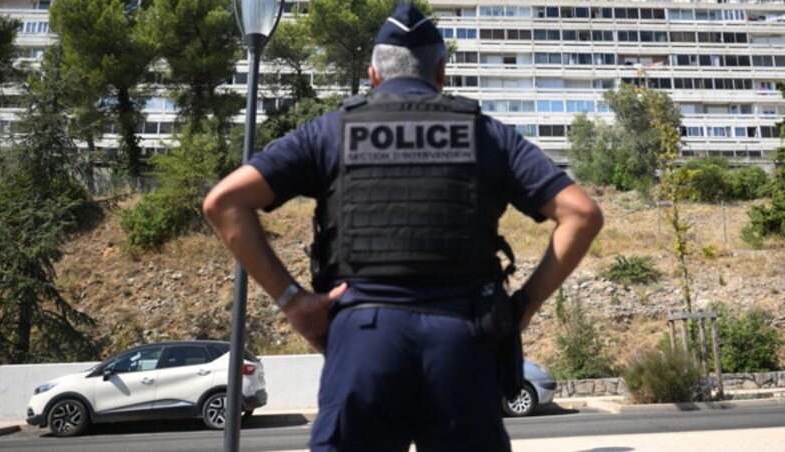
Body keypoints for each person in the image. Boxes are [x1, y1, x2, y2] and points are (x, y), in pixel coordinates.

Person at [203, 3, 603, 451]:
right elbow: (582, 214)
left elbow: (224, 202)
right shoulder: (487, 134)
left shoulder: (330, 133)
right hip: (463, 343)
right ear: (442, 73)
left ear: (374, 76)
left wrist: (293, 301)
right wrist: (524, 306)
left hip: (363, 345)